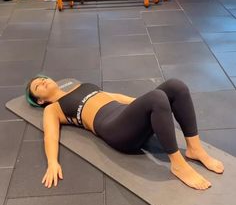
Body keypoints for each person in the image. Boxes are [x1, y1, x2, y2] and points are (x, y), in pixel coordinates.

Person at [25, 76, 224, 190]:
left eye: (43, 78)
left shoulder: (81, 86)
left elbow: (114, 96)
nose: (43, 81)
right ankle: (178, 165)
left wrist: (147, 104)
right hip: (113, 128)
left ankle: (194, 149)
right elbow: (50, 135)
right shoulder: (53, 109)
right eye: (38, 86)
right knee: (156, 97)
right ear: (40, 100)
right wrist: (52, 162)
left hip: (123, 114)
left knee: (175, 86)